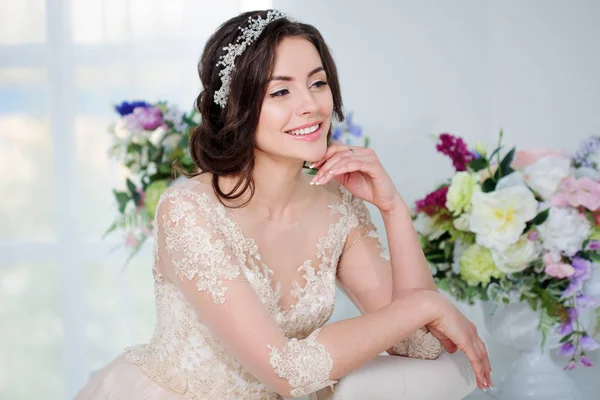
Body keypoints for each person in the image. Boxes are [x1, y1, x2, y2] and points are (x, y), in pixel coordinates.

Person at [75, 9, 491, 400]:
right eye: (281, 91)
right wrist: (427, 304)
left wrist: (393, 209)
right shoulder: (188, 211)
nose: (309, 105)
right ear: (237, 106)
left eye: (317, 82)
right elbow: (288, 372)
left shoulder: (336, 205)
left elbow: (420, 341)